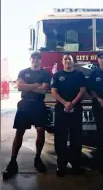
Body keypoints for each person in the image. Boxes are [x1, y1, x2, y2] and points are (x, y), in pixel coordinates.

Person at [3, 52, 51, 180]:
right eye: (33, 58)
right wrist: (36, 85)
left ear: (41, 60)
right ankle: (13, 162)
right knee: (19, 132)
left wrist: (27, 87)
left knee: (41, 132)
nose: (35, 60)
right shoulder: (23, 72)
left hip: (39, 105)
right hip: (25, 105)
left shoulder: (45, 73)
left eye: (38, 58)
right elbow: (19, 86)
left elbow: (44, 89)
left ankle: (37, 159)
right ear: (30, 60)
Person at [51, 52, 86, 177]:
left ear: (73, 61)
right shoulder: (57, 75)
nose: (67, 61)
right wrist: (65, 103)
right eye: (65, 59)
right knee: (61, 138)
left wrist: (72, 103)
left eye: (69, 59)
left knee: (76, 137)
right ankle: (61, 166)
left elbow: (82, 90)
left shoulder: (79, 74)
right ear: (62, 61)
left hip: (76, 109)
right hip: (61, 109)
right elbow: (53, 91)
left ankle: (76, 165)